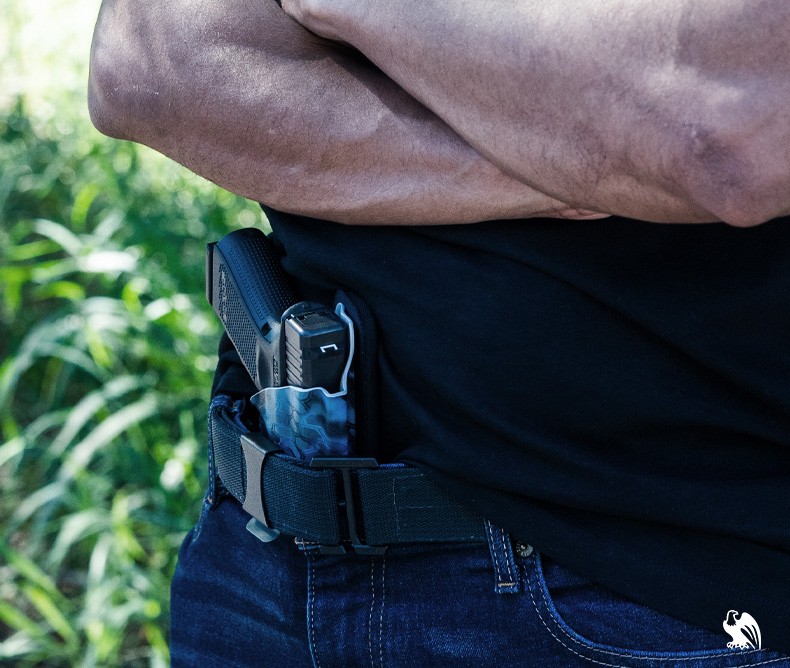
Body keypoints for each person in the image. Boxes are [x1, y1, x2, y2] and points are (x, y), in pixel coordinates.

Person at [88, 0, 790, 664]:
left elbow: (727, 128)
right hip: (264, 562)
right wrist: (590, 162)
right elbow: (148, 69)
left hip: (647, 590)